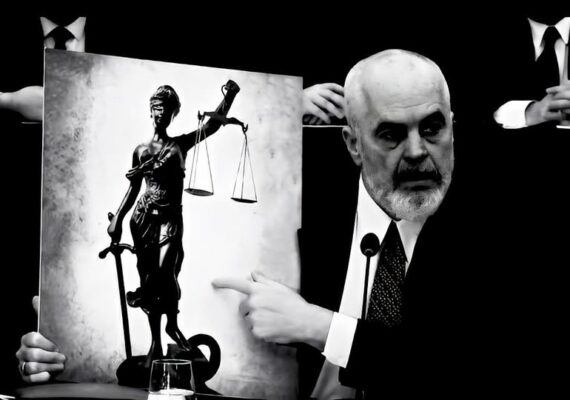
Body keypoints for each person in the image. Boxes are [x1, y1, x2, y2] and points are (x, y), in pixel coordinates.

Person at [213, 49, 488, 398]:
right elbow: (219, 135)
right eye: (391, 135)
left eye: (432, 129)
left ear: (453, 128)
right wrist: (279, 108)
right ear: (354, 144)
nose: (417, 151)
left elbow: (451, 366)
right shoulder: (304, 189)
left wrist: (319, 327)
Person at [103, 82, 240, 368]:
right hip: (142, 219)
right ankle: (155, 341)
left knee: (166, 274)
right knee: (149, 277)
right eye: (156, 108)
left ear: (173, 114)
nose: (160, 114)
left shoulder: (180, 145)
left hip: (170, 220)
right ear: (150, 111)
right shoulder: (141, 151)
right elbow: (133, 189)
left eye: (166, 110)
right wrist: (118, 218)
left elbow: (212, 127)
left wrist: (229, 97)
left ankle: (171, 324)